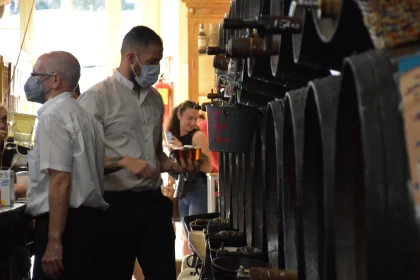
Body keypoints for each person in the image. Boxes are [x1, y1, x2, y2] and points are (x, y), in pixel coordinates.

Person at [78, 26, 190, 280]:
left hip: (153, 204)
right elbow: (80, 162)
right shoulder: (96, 99)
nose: (156, 68)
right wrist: (124, 162)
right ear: (131, 58)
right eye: (152, 61)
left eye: (159, 61)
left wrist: (172, 164)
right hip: (114, 208)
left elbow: (153, 154)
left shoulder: (154, 99)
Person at [24, 51, 108, 280]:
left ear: (55, 79)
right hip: (89, 227)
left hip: (65, 228)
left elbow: (60, 180)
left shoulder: (53, 116)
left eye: (36, 75)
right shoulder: (86, 116)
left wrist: (54, 243)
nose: (31, 81)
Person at [166, 101, 213, 219]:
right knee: (188, 234)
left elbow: (208, 167)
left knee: (196, 233)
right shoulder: (173, 136)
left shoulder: (198, 136)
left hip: (199, 188)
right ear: (179, 115)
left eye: (195, 119)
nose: (193, 122)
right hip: (182, 189)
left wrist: (182, 150)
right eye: (189, 118)